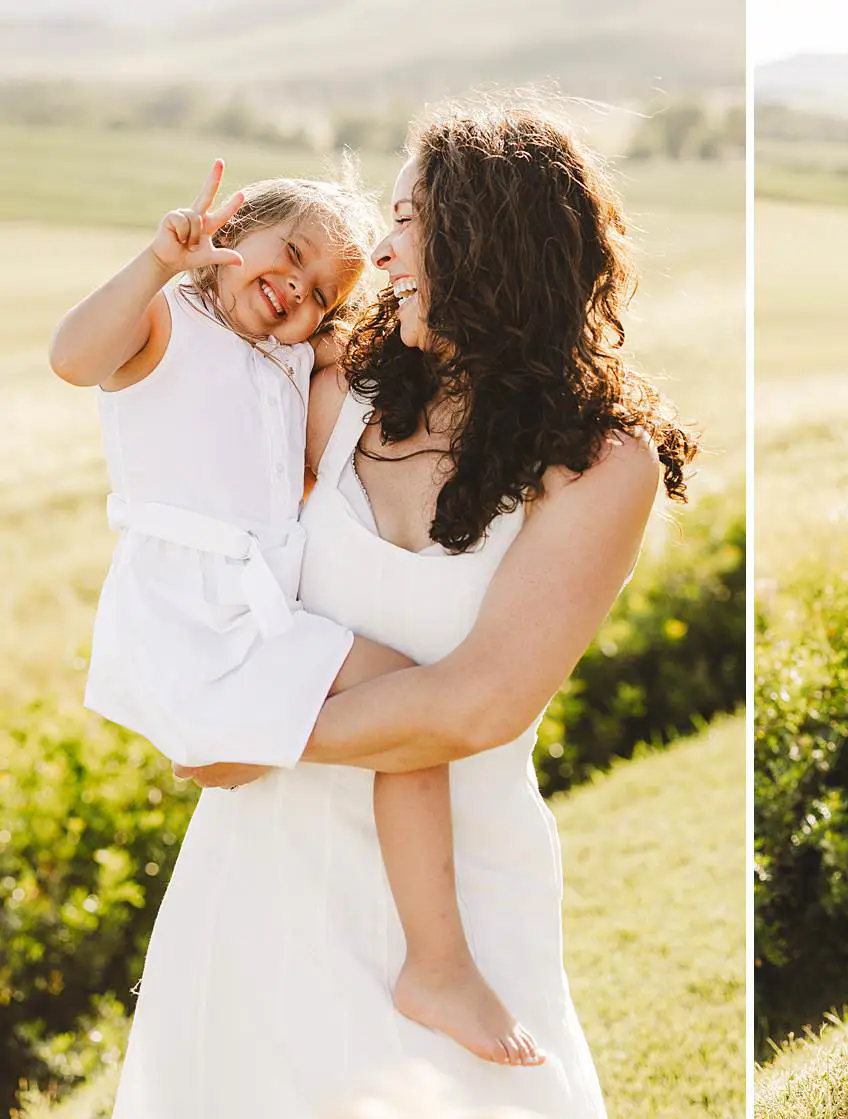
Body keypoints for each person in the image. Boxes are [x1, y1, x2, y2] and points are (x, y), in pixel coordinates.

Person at [107, 99, 696, 1119]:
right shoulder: (334, 385)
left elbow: (479, 704)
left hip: (463, 893)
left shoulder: (603, 466)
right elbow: (183, 463)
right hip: (262, 878)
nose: (382, 253)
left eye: (408, 219)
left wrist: (257, 731)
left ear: (488, 236)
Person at [52, 161, 546, 1066]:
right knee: (414, 706)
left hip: (260, 614)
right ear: (229, 234)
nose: (295, 290)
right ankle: (437, 963)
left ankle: (433, 963)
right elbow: (71, 358)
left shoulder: (286, 359)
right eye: (289, 256)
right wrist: (159, 262)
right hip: (195, 614)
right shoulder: (166, 325)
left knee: (413, 705)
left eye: (321, 292)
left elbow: (337, 389)